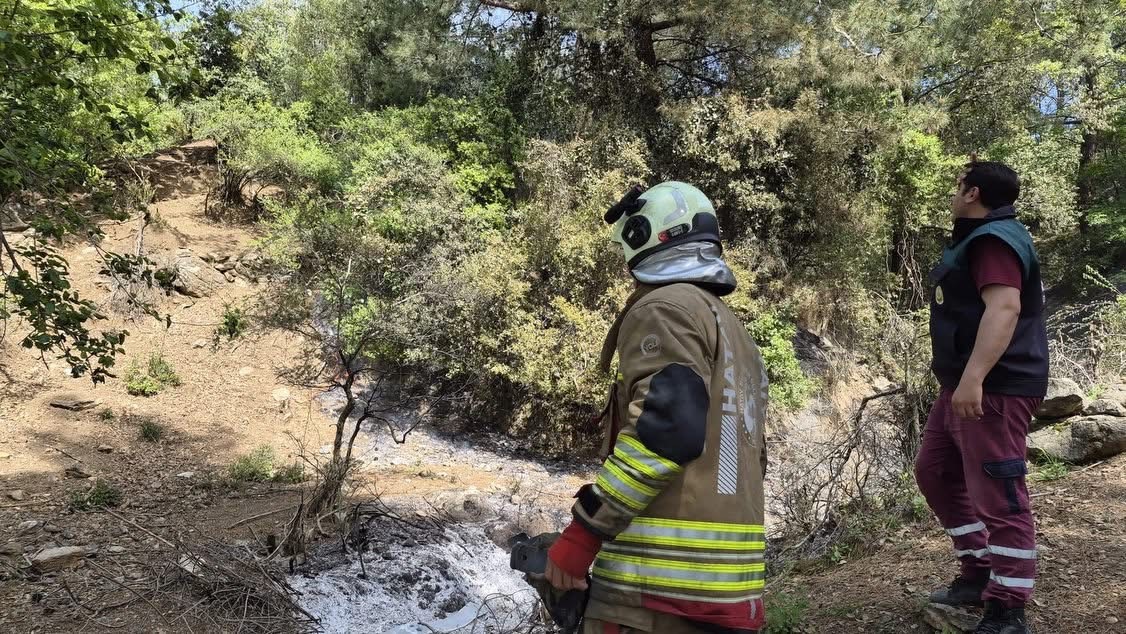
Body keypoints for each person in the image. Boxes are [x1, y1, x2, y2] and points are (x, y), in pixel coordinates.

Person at [543, 182, 769, 634]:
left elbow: (666, 431)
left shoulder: (664, 308)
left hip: (653, 595)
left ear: (646, 234)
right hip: (728, 592)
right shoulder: (732, 329)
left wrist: (583, 533)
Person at [915, 161, 1048, 634]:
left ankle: (1008, 607)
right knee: (935, 471)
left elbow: (1005, 307)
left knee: (1001, 496)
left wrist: (974, 379)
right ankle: (979, 571)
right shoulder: (980, 237)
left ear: (972, 193)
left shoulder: (994, 240)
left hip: (995, 388)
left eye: (957, 186)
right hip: (964, 385)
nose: (953, 193)